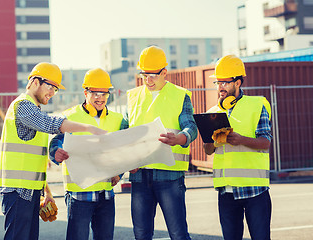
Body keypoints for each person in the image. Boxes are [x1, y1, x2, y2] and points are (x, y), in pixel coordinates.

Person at [0, 62, 106, 240]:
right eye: (50, 87)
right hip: (17, 191)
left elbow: (34, 161)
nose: (52, 93)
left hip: (29, 191)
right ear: (34, 82)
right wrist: (89, 128)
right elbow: (51, 123)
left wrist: (46, 192)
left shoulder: (34, 109)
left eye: (56, 90)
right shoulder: (23, 106)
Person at [127, 46, 197, 240]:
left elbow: (191, 127)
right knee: (141, 235)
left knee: (178, 234)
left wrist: (179, 138)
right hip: (139, 177)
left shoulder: (180, 95)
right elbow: (125, 134)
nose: (148, 81)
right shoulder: (133, 97)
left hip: (169, 176)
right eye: (144, 75)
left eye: (153, 76)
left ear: (164, 72)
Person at [49, 68, 128, 240]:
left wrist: (119, 173)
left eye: (104, 93)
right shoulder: (69, 116)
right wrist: (56, 153)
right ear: (86, 92)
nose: (100, 98)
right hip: (79, 194)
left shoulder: (118, 120)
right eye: (95, 93)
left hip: (106, 194)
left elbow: (124, 150)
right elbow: (56, 142)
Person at [203, 55, 272, 240]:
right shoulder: (212, 113)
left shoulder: (257, 105)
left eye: (225, 82)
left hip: (255, 190)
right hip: (226, 192)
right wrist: (214, 141)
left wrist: (241, 139)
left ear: (238, 82)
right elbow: (208, 150)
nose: (220, 87)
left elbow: (266, 142)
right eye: (218, 82)